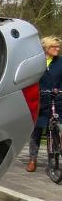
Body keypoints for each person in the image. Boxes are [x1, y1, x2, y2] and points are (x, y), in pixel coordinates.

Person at [27, 35, 62, 172]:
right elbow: (31, 79)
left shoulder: (60, 62)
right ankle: (32, 159)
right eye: (54, 47)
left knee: (54, 130)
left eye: (58, 47)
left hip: (57, 100)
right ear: (46, 48)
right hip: (40, 100)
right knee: (36, 131)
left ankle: (53, 159)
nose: (57, 49)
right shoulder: (37, 62)